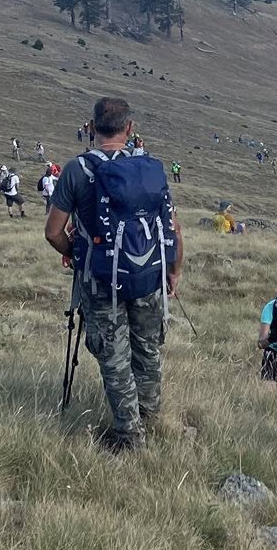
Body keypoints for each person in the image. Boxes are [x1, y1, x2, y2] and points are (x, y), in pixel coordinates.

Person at [44, 95, 182, 452]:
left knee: (114, 356)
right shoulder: (151, 167)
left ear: (90, 128)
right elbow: (173, 226)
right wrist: (174, 271)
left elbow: (53, 231)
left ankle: (129, 436)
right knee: (148, 349)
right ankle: (153, 419)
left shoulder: (77, 169)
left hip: (99, 278)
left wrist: (76, 255)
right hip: (149, 273)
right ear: (130, 128)